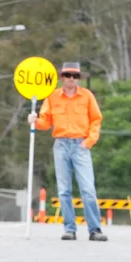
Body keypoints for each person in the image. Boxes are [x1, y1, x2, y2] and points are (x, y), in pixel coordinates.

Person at [28, 62, 108, 241]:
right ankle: (69, 229)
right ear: (62, 77)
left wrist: (89, 141)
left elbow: (96, 119)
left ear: (78, 78)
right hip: (61, 145)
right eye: (68, 75)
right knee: (64, 190)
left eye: (75, 76)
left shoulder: (87, 96)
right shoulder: (53, 97)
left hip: (81, 145)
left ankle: (94, 229)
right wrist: (34, 120)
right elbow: (45, 121)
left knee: (88, 189)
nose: (71, 79)